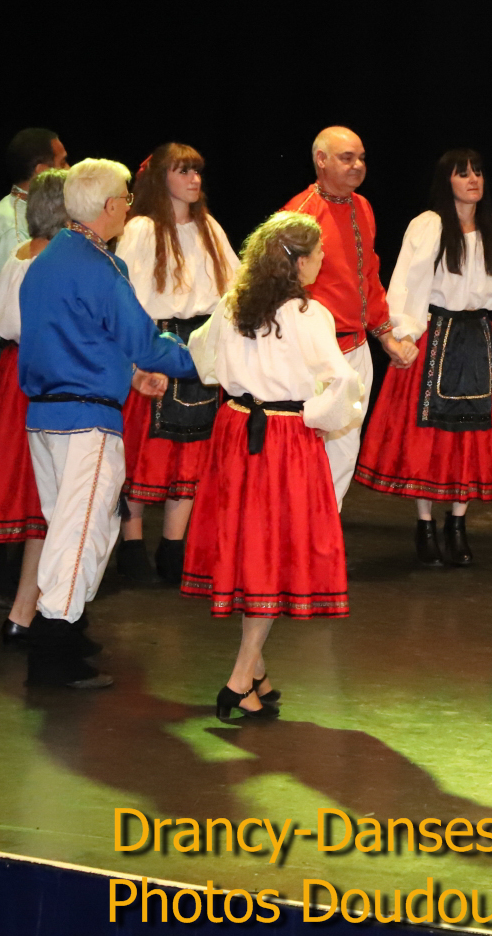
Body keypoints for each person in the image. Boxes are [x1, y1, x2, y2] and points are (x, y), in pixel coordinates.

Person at [17, 159, 197, 689]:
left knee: (65, 526)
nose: (128, 207)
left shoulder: (45, 259)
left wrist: (129, 371)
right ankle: (53, 650)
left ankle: (67, 633)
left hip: (45, 416)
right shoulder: (100, 265)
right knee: (82, 532)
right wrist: (206, 360)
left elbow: (77, 336)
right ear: (109, 206)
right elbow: (143, 341)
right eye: (126, 198)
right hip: (86, 420)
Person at [183, 213, 364, 721]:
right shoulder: (308, 315)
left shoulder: (233, 305)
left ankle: (256, 675)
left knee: (249, 547)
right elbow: (343, 383)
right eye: (318, 253)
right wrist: (317, 418)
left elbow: (202, 357)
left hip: (235, 431)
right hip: (282, 439)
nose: (323, 259)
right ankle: (240, 678)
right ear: (299, 262)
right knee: (269, 554)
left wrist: (244, 384)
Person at [354, 150, 492, 567]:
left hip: (477, 340)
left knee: (470, 436)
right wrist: (400, 333)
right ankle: (425, 524)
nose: (472, 180)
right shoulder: (428, 225)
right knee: (429, 436)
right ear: (446, 181)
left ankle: (458, 524)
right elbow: (407, 281)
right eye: (463, 174)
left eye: (477, 172)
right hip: (435, 338)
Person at [115, 143, 238, 586]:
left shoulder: (209, 228)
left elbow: (235, 289)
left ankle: (173, 547)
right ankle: (131, 545)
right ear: (160, 177)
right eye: (183, 171)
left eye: (196, 171)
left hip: (200, 347)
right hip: (156, 345)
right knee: (147, 450)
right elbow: (127, 297)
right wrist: (137, 358)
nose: (194, 179)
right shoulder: (142, 229)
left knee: (192, 451)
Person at [283, 127, 416, 508]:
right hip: (313, 355)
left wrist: (387, 337)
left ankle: (325, 529)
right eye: (347, 158)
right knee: (306, 445)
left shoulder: (363, 207)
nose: (357, 165)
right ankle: (299, 530)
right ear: (321, 160)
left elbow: (367, 276)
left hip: (355, 349)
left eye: (361, 158)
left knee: (344, 449)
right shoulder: (299, 213)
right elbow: (280, 289)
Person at [0, 168, 68, 640]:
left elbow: (4, 320)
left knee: (30, 484)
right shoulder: (44, 261)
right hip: (34, 373)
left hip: (16, 370)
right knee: (34, 483)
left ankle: (27, 595)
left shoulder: (22, 257)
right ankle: (27, 599)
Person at [0, 128, 67, 405]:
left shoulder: (37, 217)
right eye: (63, 162)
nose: (70, 170)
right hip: (5, 378)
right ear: (42, 172)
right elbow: (26, 303)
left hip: (25, 373)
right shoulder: (11, 225)